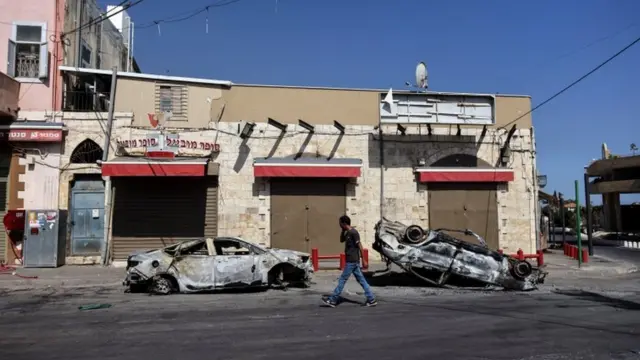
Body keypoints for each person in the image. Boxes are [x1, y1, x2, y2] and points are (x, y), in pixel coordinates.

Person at [322, 215, 377, 307]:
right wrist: (343, 230)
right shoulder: (347, 232)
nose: (339, 225)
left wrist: (364, 260)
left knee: (342, 280)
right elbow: (341, 240)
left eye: (340, 223)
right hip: (352, 261)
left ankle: (333, 300)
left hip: (352, 261)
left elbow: (360, 246)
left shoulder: (354, 233)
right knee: (361, 280)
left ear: (343, 223)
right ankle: (371, 299)